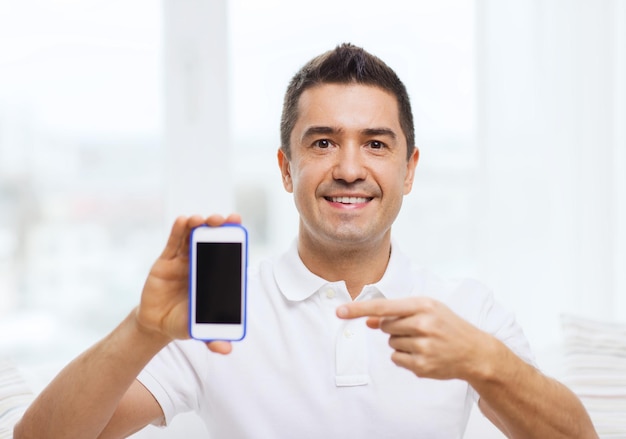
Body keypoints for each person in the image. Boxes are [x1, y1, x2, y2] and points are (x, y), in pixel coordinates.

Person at [14, 43, 597, 439]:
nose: (348, 168)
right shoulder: (219, 317)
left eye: (375, 143)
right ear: (286, 168)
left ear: (410, 169)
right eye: (322, 143)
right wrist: (141, 331)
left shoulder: (468, 311)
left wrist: (485, 363)